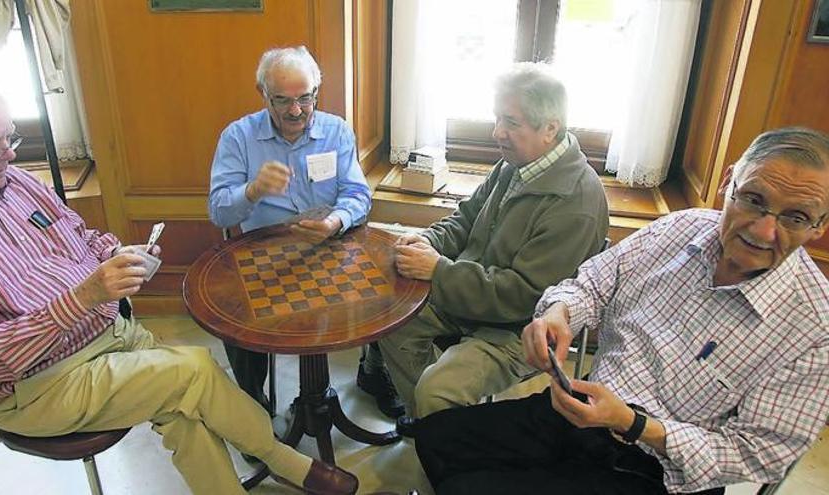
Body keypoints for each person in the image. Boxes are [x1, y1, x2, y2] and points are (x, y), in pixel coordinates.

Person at [0, 70, 357, 495]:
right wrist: (84, 297)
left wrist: (116, 255)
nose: (9, 155)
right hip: (42, 384)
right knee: (194, 371)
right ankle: (284, 460)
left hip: (111, 335)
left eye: (10, 138)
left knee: (186, 412)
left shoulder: (17, 183)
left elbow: (80, 237)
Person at [412, 127, 829, 494]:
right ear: (729, 181)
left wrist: (633, 423)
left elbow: (758, 452)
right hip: (578, 408)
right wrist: (559, 313)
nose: (762, 229)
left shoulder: (816, 328)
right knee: (434, 439)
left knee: (471, 486)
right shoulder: (680, 228)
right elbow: (591, 282)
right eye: (753, 200)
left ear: (821, 226)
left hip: (660, 470)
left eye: (795, 217)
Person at [377, 62, 609, 421]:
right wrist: (425, 241)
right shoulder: (515, 164)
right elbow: (466, 219)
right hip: (470, 295)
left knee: (436, 389)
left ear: (550, 128)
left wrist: (438, 272)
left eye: (511, 122)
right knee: (390, 317)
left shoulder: (576, 202)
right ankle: (434, 430)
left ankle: (442, 443)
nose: (497, 132)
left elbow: (524, 295)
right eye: (496, 118)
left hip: (519, 328)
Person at [208, 46, 404, 419]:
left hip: (332, 246)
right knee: (234, 318)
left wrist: (335, 221)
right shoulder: (238, 137)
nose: (296, 111)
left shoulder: (336, 130)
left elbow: (358, 194)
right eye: (282, 100)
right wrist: (252, 191)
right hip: (265, 254)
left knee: (392, 284)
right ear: (262, 93)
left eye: (305, 98)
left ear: (317, 91)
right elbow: (218, 211)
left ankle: (373, 372)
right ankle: (253, 407)